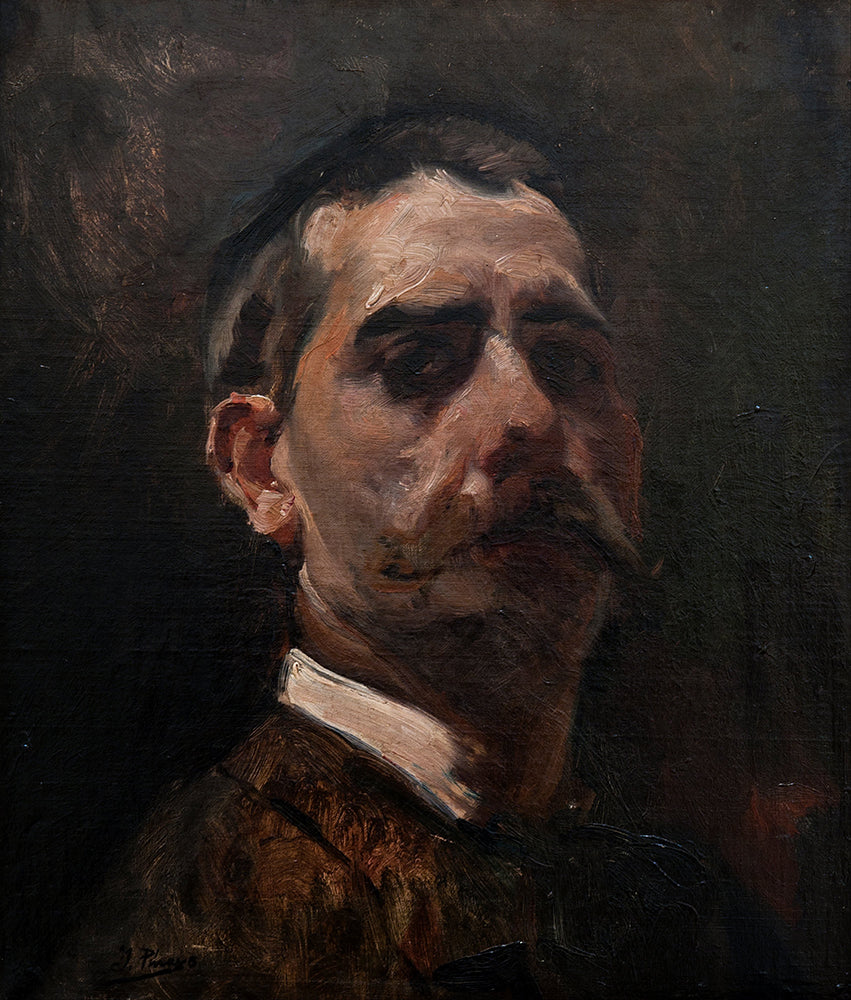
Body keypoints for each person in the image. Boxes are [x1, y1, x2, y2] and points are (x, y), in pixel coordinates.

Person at [48, 111, 790, 999]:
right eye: (420, 361)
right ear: (260, 467)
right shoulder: (202, 933)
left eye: (566, 361)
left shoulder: (690, 907)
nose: (529, 417)